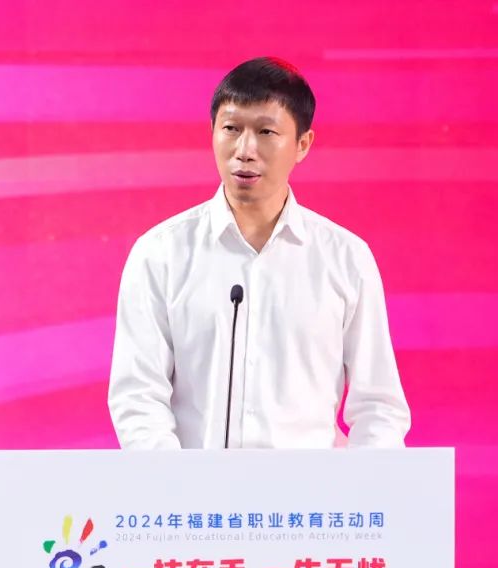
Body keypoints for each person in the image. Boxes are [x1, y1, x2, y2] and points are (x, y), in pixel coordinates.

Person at [107, 57, 410, 449]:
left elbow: (378, 407)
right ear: (212, 133)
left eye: (266, 132)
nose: (245, 150)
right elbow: (138, 398)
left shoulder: (346, 258)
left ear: (302, 144)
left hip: (312, 487)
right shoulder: (160, 254)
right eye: (231, 129)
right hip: (195, 487)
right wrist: (176, 482)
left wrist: (365, 481)